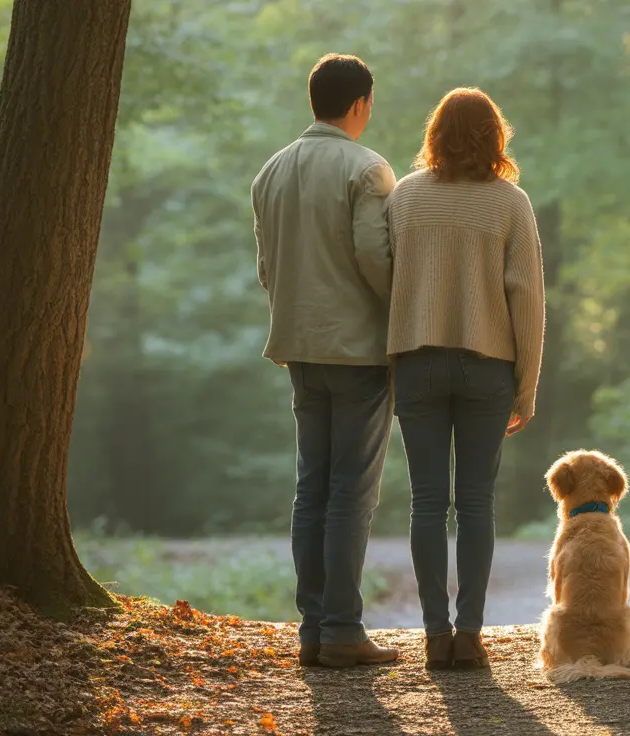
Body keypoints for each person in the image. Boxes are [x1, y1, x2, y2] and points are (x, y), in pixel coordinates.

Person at [386, 88, 546, 669]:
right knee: (476, 503)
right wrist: (526, 386)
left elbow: (384, 280)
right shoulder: (510, 203)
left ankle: (434, 634)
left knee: (427, 504)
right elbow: (526, 297)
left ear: (435, 134)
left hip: (418, 362)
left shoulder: (404, 199)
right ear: (494, 137)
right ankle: (471, 635)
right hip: (488, 368)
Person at [251, 53, 398, 668]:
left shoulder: (271, 171)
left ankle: (313, 629)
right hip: (359, 350)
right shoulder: (367, 169)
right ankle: (342, 629)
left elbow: (267, 267)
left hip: (298, 347)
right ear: (360, 103)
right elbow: (375, 256)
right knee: (351, 491)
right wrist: (407, 313)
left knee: (310, 487)